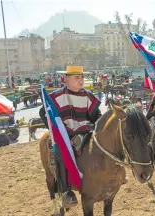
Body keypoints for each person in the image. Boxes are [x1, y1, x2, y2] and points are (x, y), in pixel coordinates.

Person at [39, 66, 101, 208]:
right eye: (77, 77)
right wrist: (55, 131)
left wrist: (98, 124)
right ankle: (66, 192)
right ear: (66, 79)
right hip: (66, 134)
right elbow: (44, 112)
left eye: (82, 77)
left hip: (86, 131)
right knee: (61, 152)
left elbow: (97, 115)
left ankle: (113, 176)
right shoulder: (56, 96)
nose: (81, 80)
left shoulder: (88, 95)